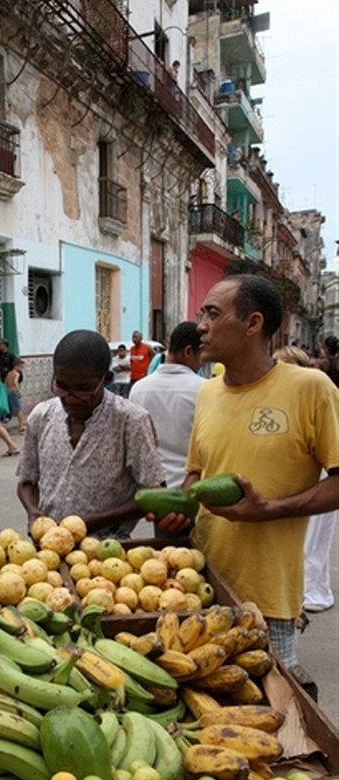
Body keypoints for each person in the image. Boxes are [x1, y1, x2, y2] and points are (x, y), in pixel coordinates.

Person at [158, 275, 339, 669]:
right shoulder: (207, 391)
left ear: (253, 324)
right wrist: (181, 505)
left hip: (268, 595)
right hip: (200, 585)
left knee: (268, 709)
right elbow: (197, 473)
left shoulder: (312, 388)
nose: (200, 325)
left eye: (213, 314)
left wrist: (270, 509)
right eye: (201, 313)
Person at [17, 330, 165, 537]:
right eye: (62, 386)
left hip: (107, 552)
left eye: (83, 389)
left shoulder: (131, 421)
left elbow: (153, 493)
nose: (71, 398)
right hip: (47, 546)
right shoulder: (41, 417)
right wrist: (34, 513)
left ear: (106, 379)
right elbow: (26, 482)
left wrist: (91, 523)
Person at [274, 346, 337, 614]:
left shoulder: (320, 394)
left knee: (316, 539)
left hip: (323, 474)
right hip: (293, 476)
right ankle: (298, 587)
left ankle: (314, 590)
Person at [129, 322, 204, 488]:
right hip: (188, 490)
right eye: (202, 354)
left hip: (148, 492)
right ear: (189, 352)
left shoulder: (139, 389)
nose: (202, 361)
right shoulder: (204, 390)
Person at [5, 358, 26, 432]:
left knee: (11, 408)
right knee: (19, 409)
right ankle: (21, 426)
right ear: (16, 366)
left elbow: (6, 382)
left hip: (8, 391)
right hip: (13, 392)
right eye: (21, 366)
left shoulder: (9, 373)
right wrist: (19, 391)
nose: (22, 368)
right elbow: (15, 382)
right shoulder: (16, 374)